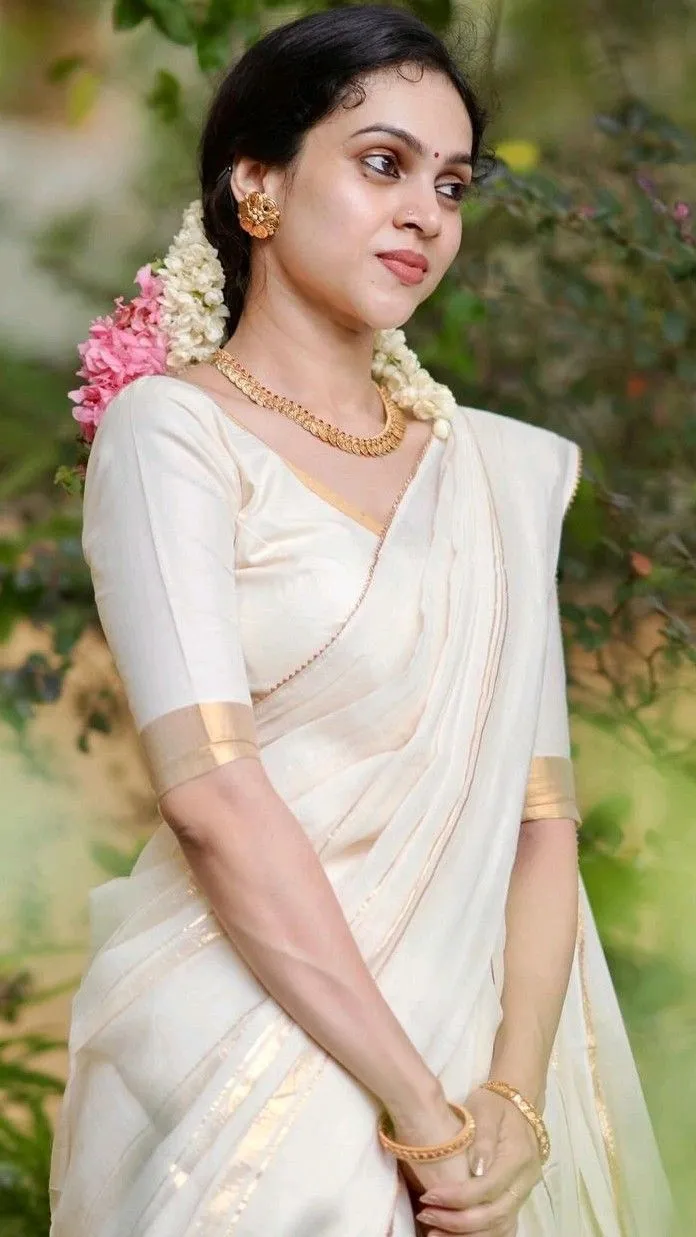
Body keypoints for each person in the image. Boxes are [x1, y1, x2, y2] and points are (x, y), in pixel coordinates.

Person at [49, 6, 671, 1236]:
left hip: (487, 1072)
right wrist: (418, 1111)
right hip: (257, 1059)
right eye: (382, 163)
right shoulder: (174, 434)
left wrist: (511, 1099)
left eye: (451, 183)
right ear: (258, 183)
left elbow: (544, 817)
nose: (426, 213)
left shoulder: (493, 474)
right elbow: (214, 799)